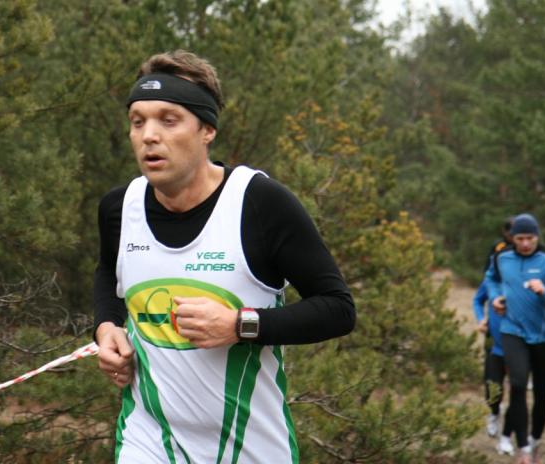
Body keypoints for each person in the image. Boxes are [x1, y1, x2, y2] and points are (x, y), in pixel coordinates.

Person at [93, 50, 356, 463]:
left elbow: (338, 309)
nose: (148, 136)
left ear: (207, 129)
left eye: (168, 120)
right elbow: (109, 273)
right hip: (148, 439)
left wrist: (239, 325)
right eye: (137, 121)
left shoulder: (259, 203)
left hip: (250, 446)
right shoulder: (119, 208)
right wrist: (107, 327)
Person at [485, 213, 545, 464]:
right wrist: (495, 298)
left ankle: (535, 440)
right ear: (512, 238)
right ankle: (523, 447)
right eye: (520, 238)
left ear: (537, 236)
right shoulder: (501, 257)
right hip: (512, 331)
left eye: (530, 238)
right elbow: (491, 279)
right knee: (517, 385)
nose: (525, 243)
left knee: (542, 394)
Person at [472, 281, 514, 456]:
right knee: (492, 387)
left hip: (519, 345)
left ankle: (506, 437)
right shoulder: (491, 277)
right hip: (494, 344)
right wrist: (481, 319)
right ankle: (494, 412)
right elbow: (477, 300)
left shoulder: (524, 277)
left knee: (517, 393)